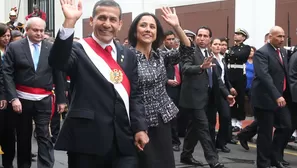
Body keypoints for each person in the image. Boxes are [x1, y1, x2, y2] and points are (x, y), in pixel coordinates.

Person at [49, 0, 149, 168]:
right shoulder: (78, 49)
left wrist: (140, 127)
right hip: (87, 141)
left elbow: (135, 95)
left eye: (112, 19)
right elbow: (58, 61)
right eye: (102, 18)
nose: (107, 24)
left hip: (123, 141)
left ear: (119, 24)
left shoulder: (128, 55)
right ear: (91, 21)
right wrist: (69, 22)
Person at [128, 8, 192, 168]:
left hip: (162, 118)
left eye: (152, 26)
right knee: (146, 163)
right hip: (140, 121)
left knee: (165, 162)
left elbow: (187, 51)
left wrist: (177, 26)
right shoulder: (127, 57)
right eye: (143, 25)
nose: (148, 29)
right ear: (135, 31)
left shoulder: (160, 55)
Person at [3, 17, 67, 168]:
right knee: (23, 136)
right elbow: (7, 73)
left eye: (41, 30)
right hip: (21, 100)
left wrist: (61, 100)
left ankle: (45, 165)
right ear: (27, 30)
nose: (39, 33)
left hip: (44, 100)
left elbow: (58, 74)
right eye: (35, 30)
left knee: (44, 134)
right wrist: (13, 98)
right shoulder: (15, 47)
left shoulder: (51, 48)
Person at [179, 26, 235, 168]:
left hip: (208, 99)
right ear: (196, 37)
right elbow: (185, 68)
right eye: (199, 35)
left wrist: (227, 94)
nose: (202, 38)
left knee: (194, 130)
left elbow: (217, 79)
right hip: (193, 98)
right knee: (204, 129)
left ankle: (186, 155)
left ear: (210, 38)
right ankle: (213, 160)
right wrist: (201, 67)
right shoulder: (191, 51)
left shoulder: (210, 54)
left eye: (205, 36)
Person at [252, 26, 292, 168]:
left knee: (287, 126)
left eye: (283, 36)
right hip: (265, 99)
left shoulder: (282, 52)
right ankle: (263, 164)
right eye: (278, 36)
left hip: (280, 98)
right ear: (270, 37)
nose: (282, 39)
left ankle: (275, 158)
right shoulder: (262, 53)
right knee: (265, 133)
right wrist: (276, 95)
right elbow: (264, 76)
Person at [207, 38, 236, 153]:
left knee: (225, 117)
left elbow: (225, 77)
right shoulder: (210, 59)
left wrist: (231, 87)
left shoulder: (223, 59)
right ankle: (211, 144)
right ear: (211, 46)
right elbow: (217, 79)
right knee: (211, 120)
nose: (218, 46)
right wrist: (226, 92)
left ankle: (221, 142)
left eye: (220, 44)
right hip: (213, 92)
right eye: (215, 44)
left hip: (224, 91)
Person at [226, 28, 251, 132]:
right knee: (231, 97)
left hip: (240, 74)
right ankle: (232, 121)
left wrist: (230, 53)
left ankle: (239, 122)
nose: (236, 35)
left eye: (239, 34)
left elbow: (240, 56)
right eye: (235, 33)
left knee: (240, 98)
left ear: (243, 37)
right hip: (230, 72)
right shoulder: (232, 48)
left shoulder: (246, 48)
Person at [163, 30, 182, 152]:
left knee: (179, 114)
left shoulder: (177, 53)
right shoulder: (160, 54)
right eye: (168, 39)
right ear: (164, 40)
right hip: (168, 88)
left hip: (180, 88)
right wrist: (167, 80)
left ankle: (177, 136)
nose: (171, 41)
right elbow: (157, 73)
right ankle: (174, 141)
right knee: (172, 116)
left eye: (172, 39)